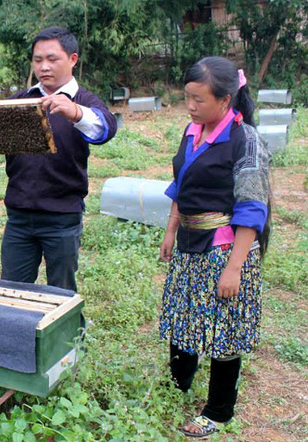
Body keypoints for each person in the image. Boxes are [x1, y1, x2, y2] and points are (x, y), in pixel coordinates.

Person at [0, 26, 117, 291]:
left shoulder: (83, 100)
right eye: (37, 60)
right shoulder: (21, 101)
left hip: (62, 217)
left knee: (62, 291)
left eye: (52, 59)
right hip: (19, 217)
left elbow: (105, 128)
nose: (44, 66)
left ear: (73, 60)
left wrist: (76, 112)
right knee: (12, 289)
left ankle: (66, 334)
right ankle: (20, 333)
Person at [159, 57, 271, 438]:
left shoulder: (245, 140)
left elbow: (253, 209)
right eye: (187, 98)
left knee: (224, 331)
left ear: (226, 101)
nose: (190, 107)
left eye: (198, 100)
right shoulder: (193, 131)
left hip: (224, 250)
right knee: (183, 318)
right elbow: (180, 185)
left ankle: (219, 411)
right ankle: (176, 388)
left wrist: (234, 267)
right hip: (189, 244)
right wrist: (171, 231)